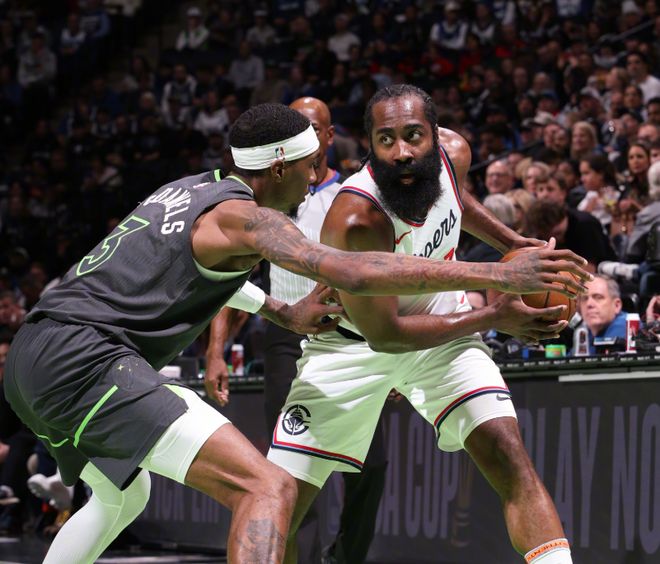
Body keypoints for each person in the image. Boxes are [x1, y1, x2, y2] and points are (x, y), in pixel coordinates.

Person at [4, 102, 589, 564]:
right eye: (310, 166)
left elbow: (200, 271)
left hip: (34, 356)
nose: (316, 178)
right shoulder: (252, 218)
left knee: (122, 496)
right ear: (279, 167)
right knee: (266, 488)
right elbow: (353, 273)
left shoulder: (189, 191)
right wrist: (497, 275)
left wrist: (281, 313)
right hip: (89, 360)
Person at [266, 86, 582, 564]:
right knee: (279, 507)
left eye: (413, 136)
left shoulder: (453, 155)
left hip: (442, 329)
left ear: (436, 135)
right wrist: (495, 316)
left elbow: (454, 198)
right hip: (353, 347)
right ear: (369, 145)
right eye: (386, 140)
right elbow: (386, 335)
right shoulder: (356, 219)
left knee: (509, 456)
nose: (402, 152)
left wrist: (515, 243)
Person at [207, 96, 387, 563]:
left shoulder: (351, 196)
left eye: (310, 127)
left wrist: (393, 355)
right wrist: (216, 350)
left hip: (352, 336)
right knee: (290, 466)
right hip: (288, 335)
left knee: (372, 464)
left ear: (327, 136)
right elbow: (232, 276)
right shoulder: (267, 197)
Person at [577, 275, 627, 355]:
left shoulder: (626, 325)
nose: (589, 304)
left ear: (617, 305)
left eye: (598, 297)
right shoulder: (586, 331)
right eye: (585, 298)